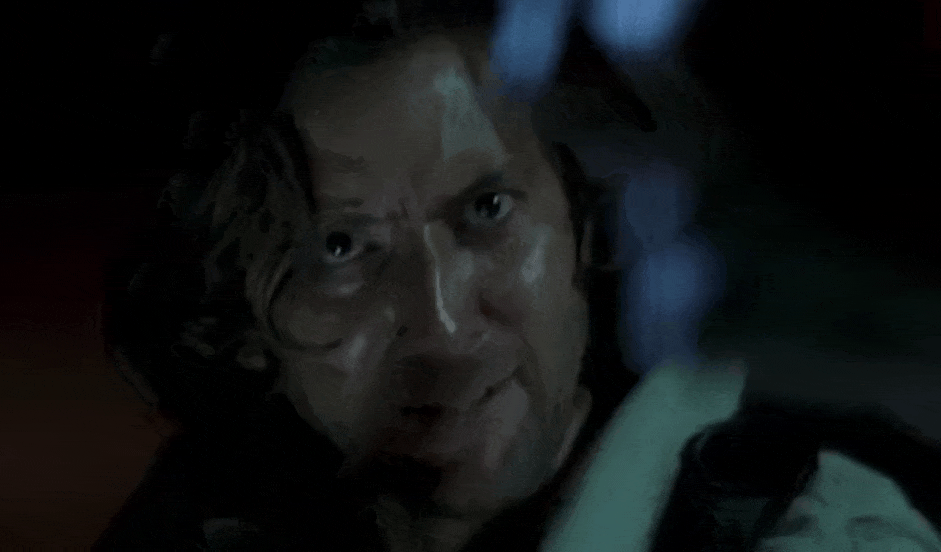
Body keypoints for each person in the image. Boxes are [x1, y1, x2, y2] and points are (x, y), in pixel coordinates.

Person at [95, 1, 941, 551]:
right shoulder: (213, 507)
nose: (444, 325)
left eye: (488, 210)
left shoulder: (805, 525)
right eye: (340, 248)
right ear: (237, 311)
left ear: (582, 218)